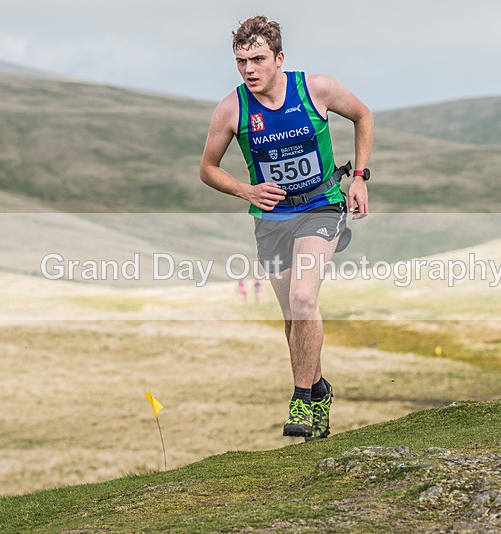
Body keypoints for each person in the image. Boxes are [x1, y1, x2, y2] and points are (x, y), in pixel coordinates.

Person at [200, 15, 373, 440]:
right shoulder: (232, 108)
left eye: (257, 59)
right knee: (293, 315)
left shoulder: (317, 90)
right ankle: (319, 388)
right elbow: (207, 168)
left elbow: (363, 116)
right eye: (241, 61)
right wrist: (246, 190)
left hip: (321, 205)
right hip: (273, 218)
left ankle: (300, 397)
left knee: (302, 297)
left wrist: (359, 178)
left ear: (279, 58)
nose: (249, 69)